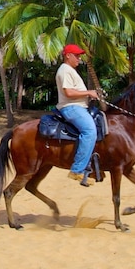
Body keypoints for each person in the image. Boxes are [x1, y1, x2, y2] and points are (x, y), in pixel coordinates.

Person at [56, 43, 100, 186]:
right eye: (76, 55)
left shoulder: (70, 70)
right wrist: (89, 93)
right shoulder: (65, 70)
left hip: (78, 106)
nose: (79, 58)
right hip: (71, 107)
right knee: (90, 131)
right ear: (67, 56)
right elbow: (68, 92)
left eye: (80, 55)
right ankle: (77, 170)